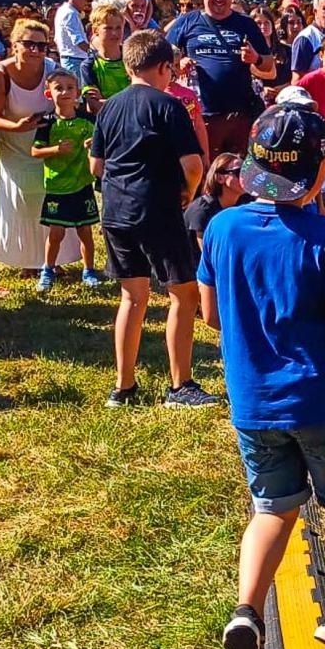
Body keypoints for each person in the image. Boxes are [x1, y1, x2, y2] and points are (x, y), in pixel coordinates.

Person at [200, 104, 325, 649]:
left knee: (272, 507)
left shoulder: (221, 228)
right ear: (320, 170)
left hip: (252, 403)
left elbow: (211, 316)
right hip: (318, 399)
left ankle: (247, 611)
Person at [90, 30, 216, 408]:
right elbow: (193, 166)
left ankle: (123, 387)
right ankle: (181, 386)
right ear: (164, 67)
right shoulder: (168, 105)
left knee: (132, 296)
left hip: (115, 210)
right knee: (184, 293)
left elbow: (96, 165)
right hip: (157, 207)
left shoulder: (109, 107)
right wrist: (188, 194)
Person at [0, 19, 82, 274]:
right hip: (15, 147)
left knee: (50, 198)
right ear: (14, 45)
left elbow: (70, 100)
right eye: (29, 44)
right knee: (24, 201)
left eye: (42, 45)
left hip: (49, 148)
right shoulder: (0, 74)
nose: (36, 51)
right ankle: (28, 262)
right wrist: (17, 126)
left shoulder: (54, 71)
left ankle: (54, 260)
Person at [166, 0, 276, 159]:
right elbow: (164, 55)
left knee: (238, 174)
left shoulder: (246, 24)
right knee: (206, 174)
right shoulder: (187, 21)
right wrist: (178, 61)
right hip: (202, 117)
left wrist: (255, 58)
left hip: (240, 116)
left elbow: (268, 64)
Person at [29, 70, 104, 291]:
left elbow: (103, 142)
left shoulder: (89, 120)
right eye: (58, 88)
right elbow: (34, 151)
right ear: (48, 93)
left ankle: (89, 270)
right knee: (56, 233)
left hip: (82, 184)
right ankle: (48, 269)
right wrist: (56, 150)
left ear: (78, 93)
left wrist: (94, 145)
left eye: (70, 88)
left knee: (86, 232)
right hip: (57, 187)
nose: (65, 92)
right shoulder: (47, 122)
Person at [185, 152, 246, 253]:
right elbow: (207, 254)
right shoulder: (202, 209)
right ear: (220, 178)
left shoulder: (244, 203)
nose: (244, 178)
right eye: (238, 172)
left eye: (246, 172)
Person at [80, 3, 129, 105]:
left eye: (118, 28)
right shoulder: (89, 65)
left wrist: (106, 102)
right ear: (95, 30)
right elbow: (94, 106)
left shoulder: (132, 59)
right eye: (108, 28)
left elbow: (141, 98)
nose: (114, 33)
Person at [53, 0, 92, 79]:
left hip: (69, 58)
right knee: (78, 91)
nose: (86, 4)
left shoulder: (62, 10)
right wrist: (94, 53)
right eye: (84, 0)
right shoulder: (70, 13)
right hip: (75, 60)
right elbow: (78, 40)